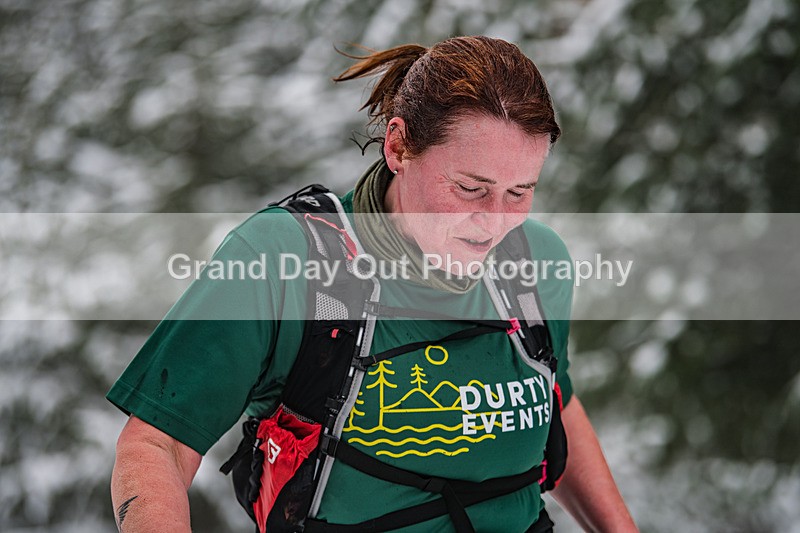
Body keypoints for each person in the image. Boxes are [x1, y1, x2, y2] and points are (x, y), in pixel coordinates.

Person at [108, 36, 637, 532]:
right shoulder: (284, 259)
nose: (495, 222)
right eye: (470, 188)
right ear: (399, 147)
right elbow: (158, 446)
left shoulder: (536, 261)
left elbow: (555, 399)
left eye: (520, 192)